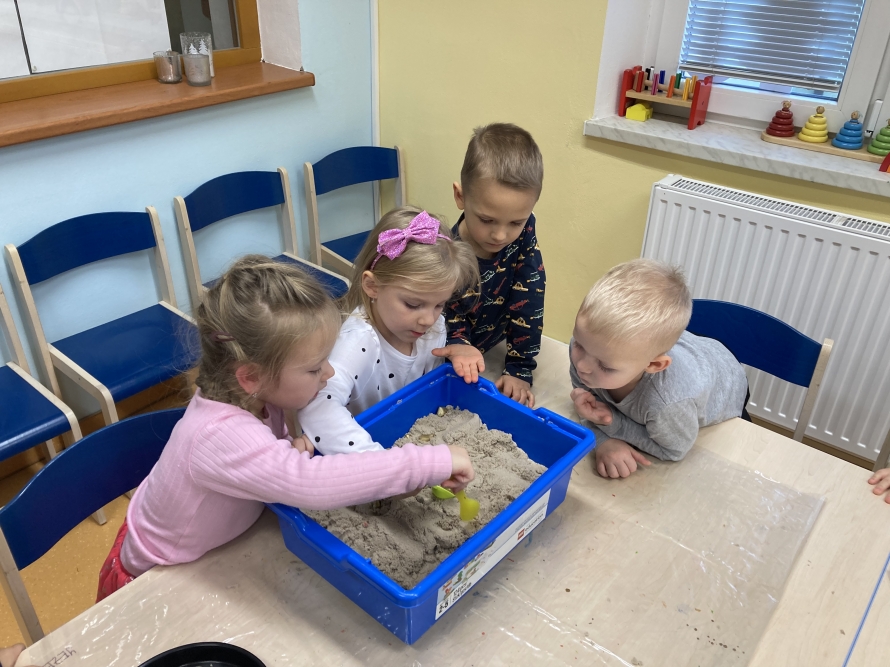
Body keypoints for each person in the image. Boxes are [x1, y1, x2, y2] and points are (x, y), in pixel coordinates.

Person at [96, 256, 474, 601]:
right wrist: (426, 463)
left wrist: (281, 449)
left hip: (220, 548)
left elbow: (262, 461)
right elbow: (308, 482)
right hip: (155, 576)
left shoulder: (255, 394)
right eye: (314, 368)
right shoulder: (218, 434)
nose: (329, 373)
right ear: (250, 376)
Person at [297, 207, 482, 454]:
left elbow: (428, 385)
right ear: (372, 286)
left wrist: (459, 351)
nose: (428, 319)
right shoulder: (359, 342)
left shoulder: (432, 325)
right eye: (413, 304)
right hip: (363, 445)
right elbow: (317, 405)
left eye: (440, 304)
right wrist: (385, 463)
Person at [569, 259, 749, 479]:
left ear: (653, 365)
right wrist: (602, 439)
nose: (582, 366)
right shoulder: (593, 348)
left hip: (727, 380)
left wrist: (614, 426)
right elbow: (585, 402)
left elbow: (674, 450)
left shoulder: (668, 403)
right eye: (579, 344)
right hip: (695, 351)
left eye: (605, 366)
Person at [444, 122, 545, 408]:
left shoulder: (525, 231)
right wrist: (459, 346)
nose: (500, 235)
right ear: (460, 196)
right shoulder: (447, 250)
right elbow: (445, 313)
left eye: (515, 222)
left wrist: (520, 367)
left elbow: (530, 294)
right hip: (456, 351)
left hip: (496, 344)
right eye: (487, 220)